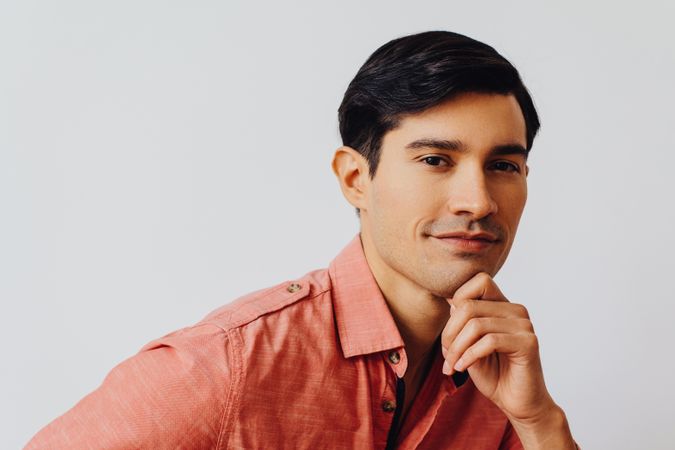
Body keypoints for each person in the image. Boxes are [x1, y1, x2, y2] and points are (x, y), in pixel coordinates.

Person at [26, 31, 579, 449]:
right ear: (356, 179)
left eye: (504, 165)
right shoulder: (230, 362)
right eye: (436, 160)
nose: (478, 201)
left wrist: (540, 422)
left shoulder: (500, 376)